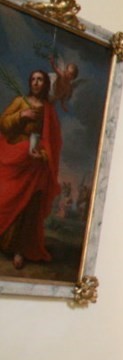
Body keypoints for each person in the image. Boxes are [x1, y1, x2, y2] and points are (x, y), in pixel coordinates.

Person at [0, 69, 63, 269]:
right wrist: (21, 115)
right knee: (7, 197)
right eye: (33, 79)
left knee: (29, 206)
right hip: (15, 158)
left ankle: (20, 250)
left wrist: (43, 155)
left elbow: (53, 141)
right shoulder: (20, 101)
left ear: (45, 84)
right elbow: (4, 124)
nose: (36, 83)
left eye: (40, 80)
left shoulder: (48, 110)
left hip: (35, 163)